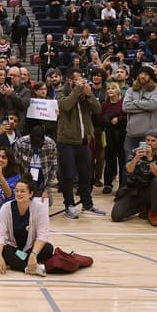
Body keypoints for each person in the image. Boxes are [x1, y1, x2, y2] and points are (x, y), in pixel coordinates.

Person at [56, 70, 101, 219]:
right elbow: (66, 106)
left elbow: (97, 110)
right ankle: (69, 205)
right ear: (70, 81)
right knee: (68, 175)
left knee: (86, 174)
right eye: (77, 79)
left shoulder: (84, 93)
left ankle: (87, 204)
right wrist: (76, 90)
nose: (81, 81)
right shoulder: (60, 92)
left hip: (84, 141)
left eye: (82, 78)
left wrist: (89, 95)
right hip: (67, 141)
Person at [0, 178, 52, 276]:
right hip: (14, 249)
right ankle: (29, 268)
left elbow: (43, 235)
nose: (18, 194)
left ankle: (8, 263)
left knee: (48, 248)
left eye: (22, 191)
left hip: (29, 249)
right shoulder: (6, 208)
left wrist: (33, 254)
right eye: (16, 191)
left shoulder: (39, 209)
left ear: (30, 194)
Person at [110, 130, 157, 226]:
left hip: (150, 191)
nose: (149, 143)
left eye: (153, 141)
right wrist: (136, 158)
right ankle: (142, 207)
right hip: (133, 190)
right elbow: (128, 170)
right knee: (116, 216)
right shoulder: (135, 152)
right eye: (147, 140)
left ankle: (153, 212)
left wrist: (150, 159)